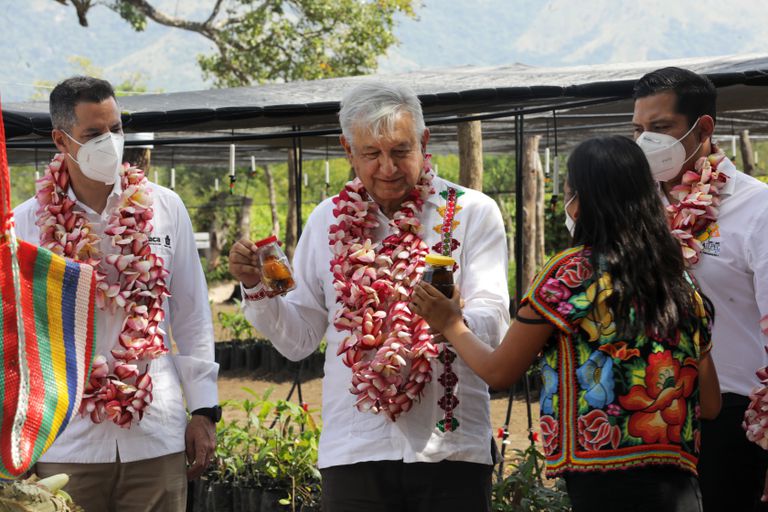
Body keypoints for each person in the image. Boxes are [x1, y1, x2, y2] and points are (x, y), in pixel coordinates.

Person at [228, 82, 510, 512]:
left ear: (424, 141)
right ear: (348, 149)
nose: (388, 168)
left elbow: (494, 323)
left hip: (450, 448)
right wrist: (256, 288)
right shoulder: (326, 220)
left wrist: (452, 321)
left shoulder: (472, 211)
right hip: (355, 449)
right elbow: (299, 340)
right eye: (371, 153)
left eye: (400, 151)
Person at [412, 135, 721, 512]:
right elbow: (710, 404)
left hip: (603, 490)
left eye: (569, 192)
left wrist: (450, 323)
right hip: (681, 490)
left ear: (585, 200)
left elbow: (499, 371)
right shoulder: (680, 282)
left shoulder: (572, 273)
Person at [14, 76, 219, 512]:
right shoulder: (27, 224)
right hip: (66, 441)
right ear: (61, 140)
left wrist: (204, 410)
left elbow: (193, 314)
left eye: (116, 129)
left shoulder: (164, 207)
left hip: (155, 434)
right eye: (93, 134)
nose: (109, 142)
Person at [632, 67, 768, 511]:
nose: (646, 142)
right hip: (648, 411)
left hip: (732, 418)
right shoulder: (637, 211)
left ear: (703, 129)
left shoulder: (757, 209)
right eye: (638, 130)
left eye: (660, 127)